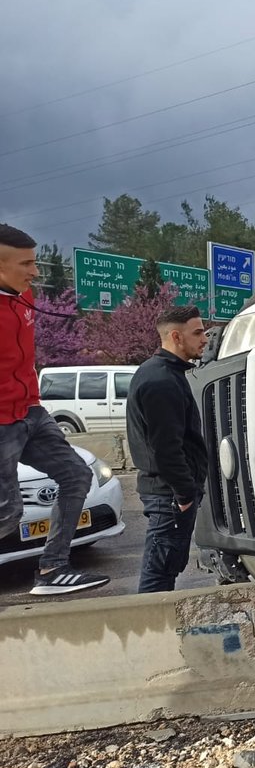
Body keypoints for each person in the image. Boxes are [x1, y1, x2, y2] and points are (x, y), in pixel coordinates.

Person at [0, 224, 110, 596]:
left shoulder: (23, 296)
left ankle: (52, 569)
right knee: (7, 513)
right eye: (26, 264)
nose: (35, 272)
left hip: (31, 413)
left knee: (77, 476)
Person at [127, 305, 210, 593]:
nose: (205, 339)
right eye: (197, 332)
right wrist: (185, 495)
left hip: (170, 495)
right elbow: (166, 448)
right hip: (169, 497)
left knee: (166, 569)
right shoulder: (161, 381)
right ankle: (149, 634)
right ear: (176, 336)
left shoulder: (165, 374)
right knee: (158, 576)